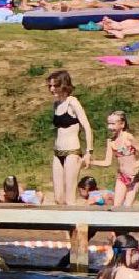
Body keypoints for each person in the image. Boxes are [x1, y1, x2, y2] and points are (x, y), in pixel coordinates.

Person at [46, 70, 93, 206]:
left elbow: (87, 126)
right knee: (58, 199)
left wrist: (89, 152)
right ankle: (63, 226)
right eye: (50, 86)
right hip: (58, 152)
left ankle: (74, 226)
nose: (52, 89)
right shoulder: (56, 104)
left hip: (72, 151)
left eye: (55, 85)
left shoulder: (73, 102)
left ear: (64, 85)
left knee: (69, 198)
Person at [92, 110, 139, 208]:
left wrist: (137, 165)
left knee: (127, 207)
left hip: (134, 177)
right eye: (109, 124)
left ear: (122, 124)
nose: (110, 127)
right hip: (122, 177)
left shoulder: (128, 137)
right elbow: (107, 162)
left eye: (113, 124)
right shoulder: (111, 142)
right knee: (116, 207)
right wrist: (91, 162)